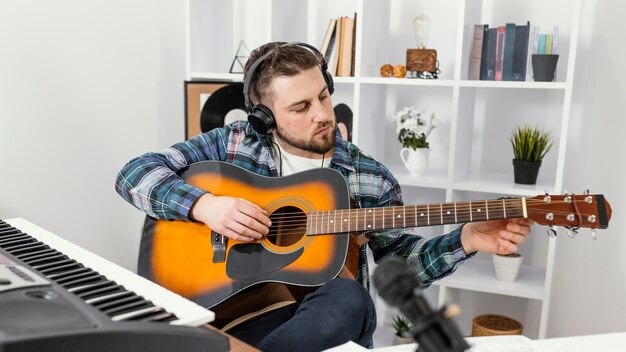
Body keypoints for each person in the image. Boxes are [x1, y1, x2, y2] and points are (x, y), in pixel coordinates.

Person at [115, 42, 533, 351]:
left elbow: (398, 268)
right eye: (300, 107)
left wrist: (467, 239)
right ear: (265, 117)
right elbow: (133, 173)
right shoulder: (232, 145)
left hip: (316, 325)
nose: (322, 114)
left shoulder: (368, 178)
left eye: (323, 96)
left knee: (349, 296)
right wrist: (206, 206)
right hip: (228, 314)